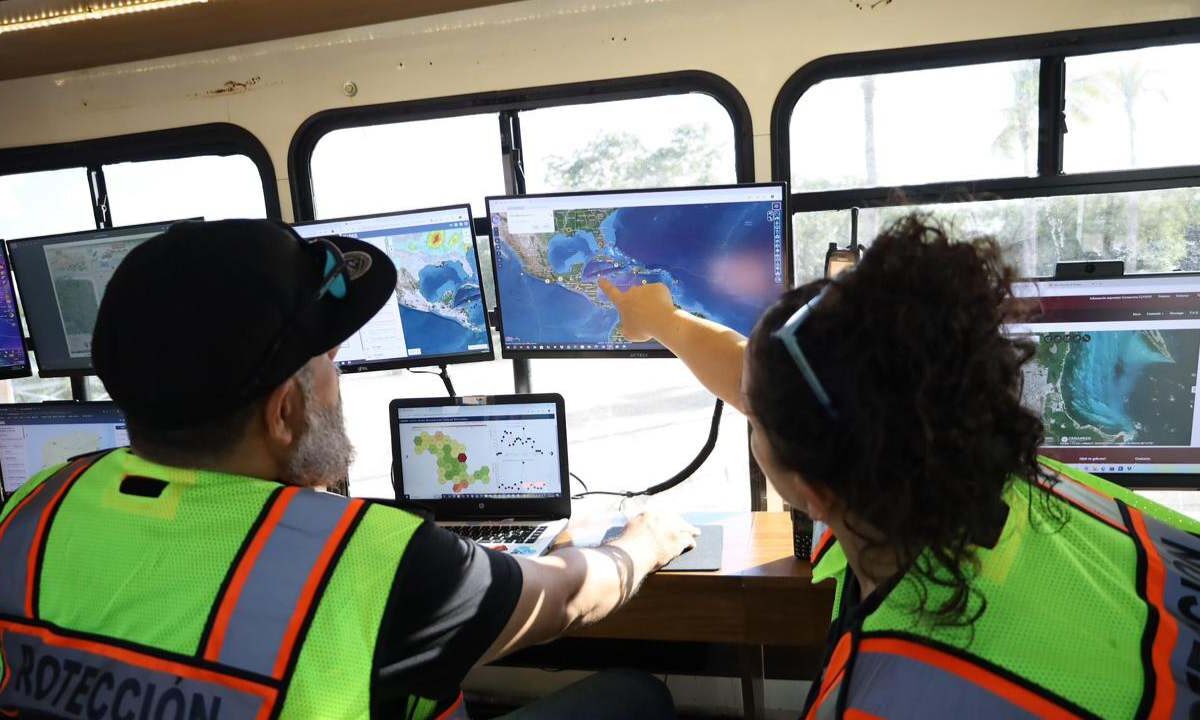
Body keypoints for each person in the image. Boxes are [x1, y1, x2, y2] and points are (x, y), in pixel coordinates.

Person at [0, 219, 695, 720]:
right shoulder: (368, 560)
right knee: (633, 694)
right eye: (329, 362)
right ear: (283, 413)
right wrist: (643, 544)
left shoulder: (34, 510)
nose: (338, 378)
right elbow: (570, 596)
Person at [601, 213, 1200, 718]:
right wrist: (663, 320)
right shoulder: (1003, 479)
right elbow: (765, 380)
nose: (747, 409)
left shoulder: (884, 698)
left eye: (756, 420)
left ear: (817, 493)